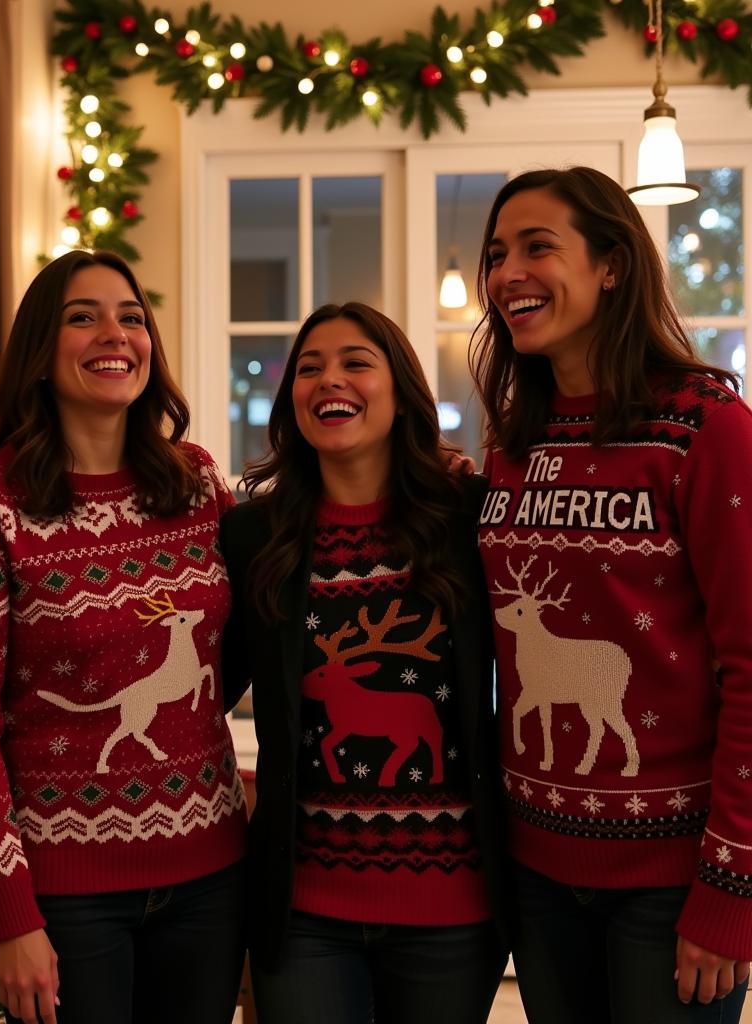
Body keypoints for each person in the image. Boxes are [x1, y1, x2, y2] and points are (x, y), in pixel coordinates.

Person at [0, 249, 248, 1024]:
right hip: (64, 896)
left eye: (131, 317)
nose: (116, 333)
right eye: (84, 316)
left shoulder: (197, 483)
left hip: (211, 875)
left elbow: (247, 642)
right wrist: (9, 913)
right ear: (41, 349)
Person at [471, 165, 752, 1023]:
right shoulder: (512, 449)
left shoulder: (705, 429)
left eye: (538, 246)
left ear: (612, 265)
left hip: (670, 886)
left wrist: (730, 888)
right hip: (538, 874)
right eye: (495, 253)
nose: (507, 272)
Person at [219, 301, 509, 1024]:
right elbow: (207, 688)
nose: (329, 380)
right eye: (309, 367)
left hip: (454, 908)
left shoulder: (470, 515)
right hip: (306, 912)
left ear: (401, 392)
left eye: (356, 362)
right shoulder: (254, 533)